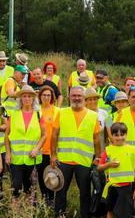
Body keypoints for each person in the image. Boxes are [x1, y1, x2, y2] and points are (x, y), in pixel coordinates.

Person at [50, 85, 102, 217]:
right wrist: (53, 155)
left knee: (85, 192)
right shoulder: (61, 113)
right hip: (64, 159)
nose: (77, 98)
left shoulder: (92, 116)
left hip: (83, 161)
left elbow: (96, 139)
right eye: (74, 95)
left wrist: (98, 157)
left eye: (79, 96)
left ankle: (85, 215)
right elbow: (54, 135)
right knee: (60, 191)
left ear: (84, 97)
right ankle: (60, 215)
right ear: (69, 97)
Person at [4, 85, 46, 197]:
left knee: (30, 188)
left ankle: (29, 210)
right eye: (24, 96)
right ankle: (16, 211)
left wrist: (37, 149)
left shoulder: (39, 114)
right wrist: (8, 153)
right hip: (16, 158)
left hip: (32, 158)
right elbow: (7, 135)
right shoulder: (13, 114)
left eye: (29, 96)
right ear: (20, 99)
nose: (27, 99)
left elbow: (44, 135)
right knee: (16, 187)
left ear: (33, 99)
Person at [97, 122, 135, 218]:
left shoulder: (132, 150)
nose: (120, 138)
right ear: (111, 135)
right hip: (112, 186)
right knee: (110, 209)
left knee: (125, 213)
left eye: (122, 135)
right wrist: (109, 164)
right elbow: (99, 167)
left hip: (126, 187)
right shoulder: (108, 150)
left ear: (126, 134)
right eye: (116, 135)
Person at [35, 85, 59, 206]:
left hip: (52, 150)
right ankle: (44, 198)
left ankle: (51, 199)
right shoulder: (36, 110)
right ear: (40, 96)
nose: (46, 97)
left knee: (52, 175)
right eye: (44, 95)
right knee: (41, 176)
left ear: (52, 97)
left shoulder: (57, 111)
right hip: (40, 149)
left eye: (48, 95)